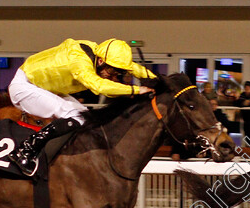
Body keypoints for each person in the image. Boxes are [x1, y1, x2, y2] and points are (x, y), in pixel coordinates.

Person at [8, 38, 156, 176]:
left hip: (43, 87)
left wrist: (159, 81)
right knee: (74, 116)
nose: (113, 76)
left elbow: (135, 69)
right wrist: (136, 90)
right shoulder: (79, 60)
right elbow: (98, 86)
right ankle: (25, 151)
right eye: (111, 71)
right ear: (100, 61)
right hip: (24, 86)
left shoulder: (99, 54)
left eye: (118, 73)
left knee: (86, 118)